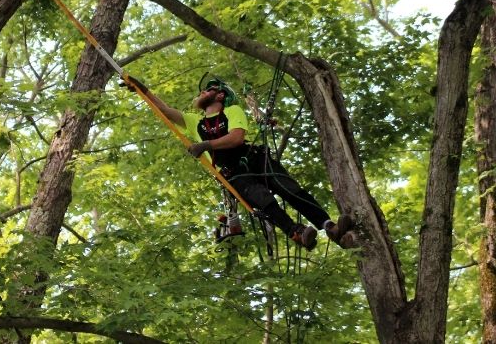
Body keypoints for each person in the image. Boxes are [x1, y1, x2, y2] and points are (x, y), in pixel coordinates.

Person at [125, 75, 357, 250]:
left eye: (209, 89)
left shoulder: (232, 111)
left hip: (253, 158)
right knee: (262, 199)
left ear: (220, 96)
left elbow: (236, 138)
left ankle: (330, 226)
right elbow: (164, 110)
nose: (203, 92)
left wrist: (206, 146)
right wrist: (142, 90)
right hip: (233, 172)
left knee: (290, 189)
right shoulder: (195, 122)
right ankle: (296, 232)